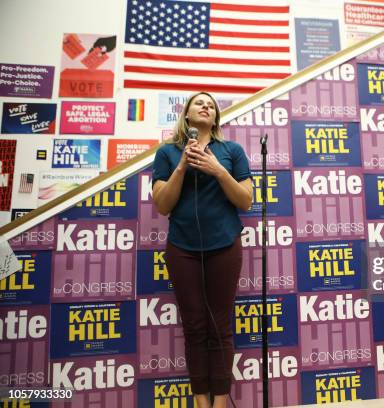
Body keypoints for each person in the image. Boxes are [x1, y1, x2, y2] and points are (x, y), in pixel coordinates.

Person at [152, 92, 253, 408]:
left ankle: (221, 399)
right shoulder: (167, 153)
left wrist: (217, 169)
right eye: (199, 102)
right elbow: (162, 204)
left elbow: (246, 200)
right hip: (182, 248)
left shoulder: (231, 151)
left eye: (211, 104)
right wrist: (182, 166)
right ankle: (200, 399)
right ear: (186, 114)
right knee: (194, 326)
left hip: (224, 245)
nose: (206, 106)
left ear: (216, 117)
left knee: (220, 324)